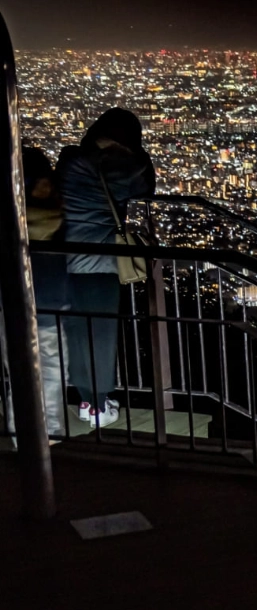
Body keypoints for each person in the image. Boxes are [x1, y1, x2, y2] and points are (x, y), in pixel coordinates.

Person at [57, 108, 155, 429]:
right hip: (101, 261)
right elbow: (146, 188)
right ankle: (99, 406)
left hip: (66, 256)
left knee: (75, 330)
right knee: (101, 332)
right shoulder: (126, 166)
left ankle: (85, 399)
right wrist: (136, 154)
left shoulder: (72, 160)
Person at [2, 147, 71, 448]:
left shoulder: (11, 220)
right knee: (52, 373)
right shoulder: (60, 217)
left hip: (15, 306)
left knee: (19, 374)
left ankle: (24, 439)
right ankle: (49, 440)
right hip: (50, 303)